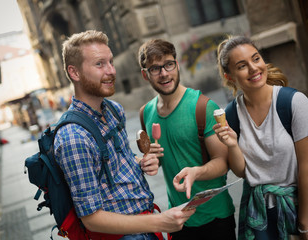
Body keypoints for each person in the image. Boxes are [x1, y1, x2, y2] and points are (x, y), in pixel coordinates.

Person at [53, 30, 195, 240]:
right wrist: (160, 221)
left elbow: (114, 168)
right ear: (74, 73)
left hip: (146, 225)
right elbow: (91, 218)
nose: (111, 71)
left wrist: (140, 164)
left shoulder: (113, 110)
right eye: (99, 64)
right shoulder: (73, 137)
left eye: (110, 62)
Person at [137, 39, 236, 240]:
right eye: (155, 68)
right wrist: (146, 163)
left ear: (177, 64)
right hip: (177, 220)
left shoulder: (203, 107)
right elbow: (154, 158)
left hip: (215, 217)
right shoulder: (145, 113)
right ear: (145, 74)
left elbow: (223, 163)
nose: (164, 73)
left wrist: (196, 172)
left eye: (168, 64)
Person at [214, 35, 308, 240]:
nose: (254, 68)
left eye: (256, 59)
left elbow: (306, 166)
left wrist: (304, 222)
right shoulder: (231, 114)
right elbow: (242, 172)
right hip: (259, 216)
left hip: (298, 205)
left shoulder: (294, 102)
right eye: (242, 66)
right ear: (229, 76)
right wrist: (231, 145)